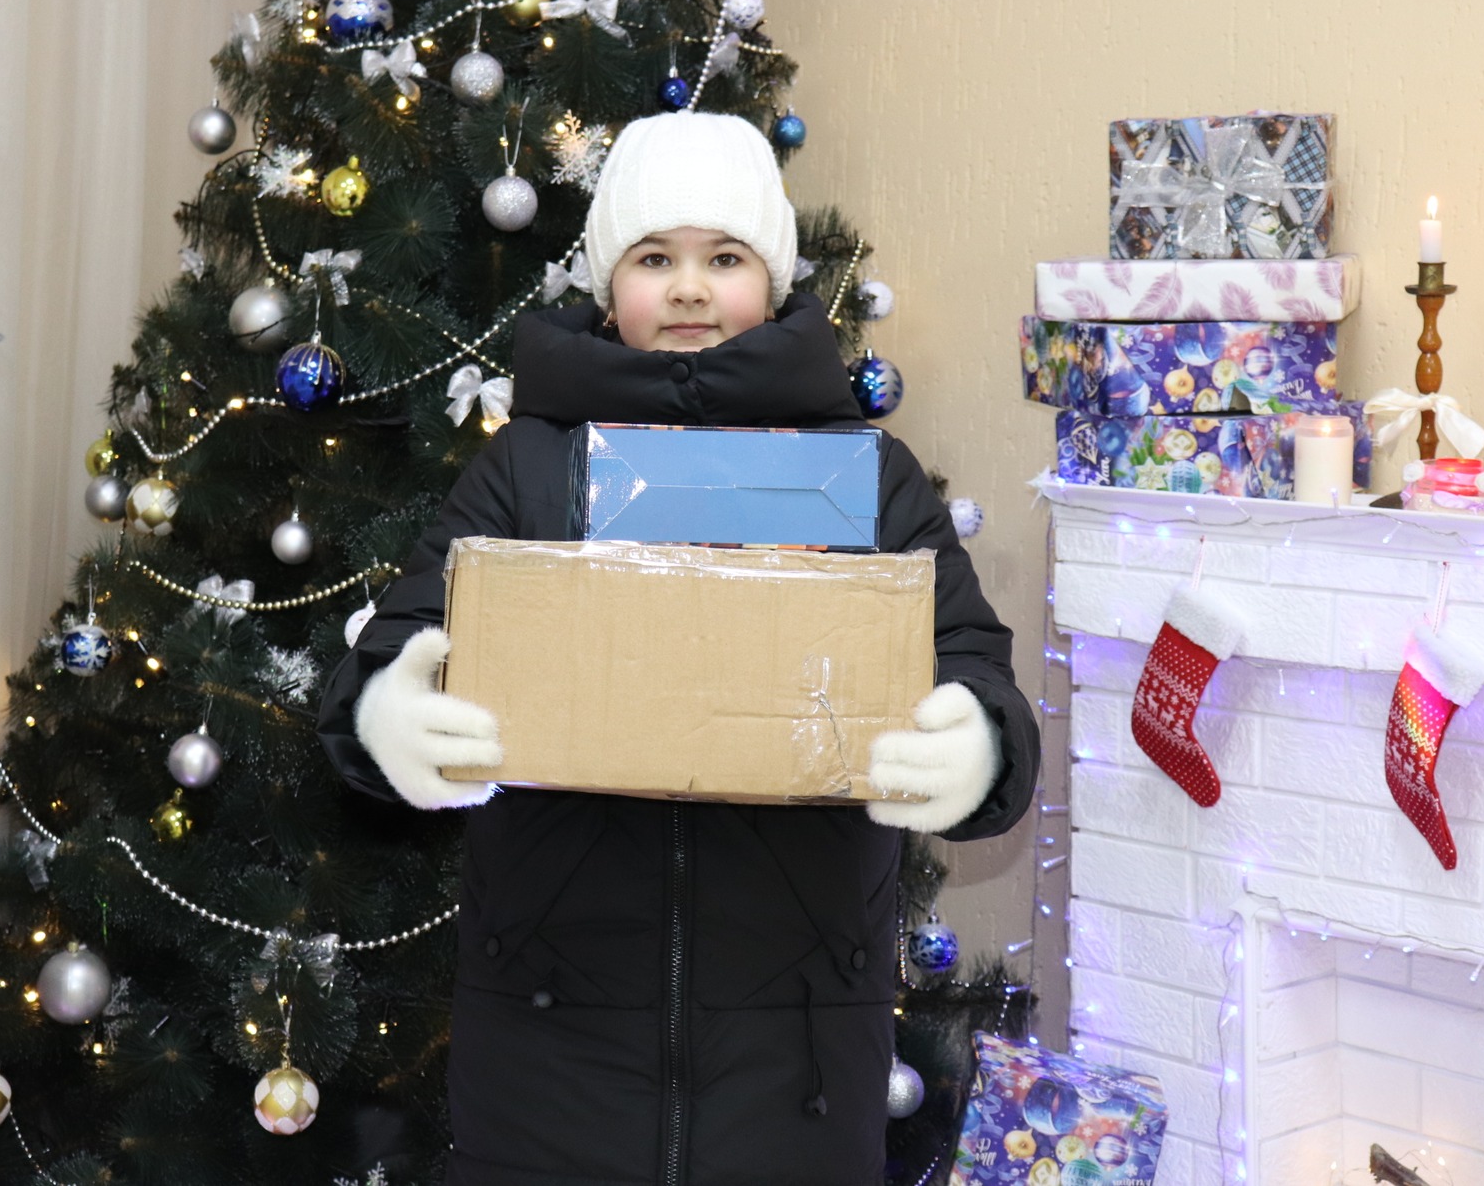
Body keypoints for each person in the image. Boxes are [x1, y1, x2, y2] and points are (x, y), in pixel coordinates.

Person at [316, 111, 1039, 1186]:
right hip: (549, 1050)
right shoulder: (528, 470)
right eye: (654, 259)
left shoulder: (865, 476)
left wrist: (977, 743)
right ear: (610, 286)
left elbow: (972, 663)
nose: (690, 289)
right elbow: (394, 652)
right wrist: (389, 714)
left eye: (725, 259)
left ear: (774, 283)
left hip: (795, 1063)